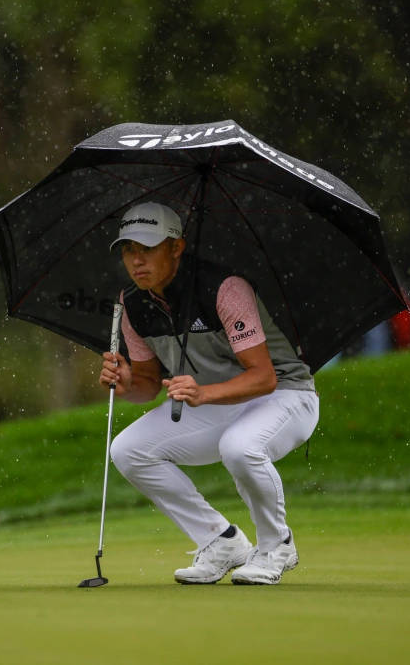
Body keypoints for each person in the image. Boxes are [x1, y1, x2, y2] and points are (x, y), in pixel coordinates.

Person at [98, 201, 320, 585]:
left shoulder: (226, 289)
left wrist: (204, 393)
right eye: (128, 250)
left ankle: (276, 544)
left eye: (147, 249)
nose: (137, 261)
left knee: (240, 446)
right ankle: (221, 540)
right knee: (128, 450)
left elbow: (264, 377)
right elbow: (150, 385)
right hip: (217, 401)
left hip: (285, 395)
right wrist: (127, 383)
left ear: (177, 247)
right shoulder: (131, 304)